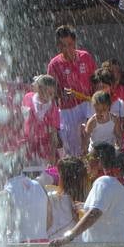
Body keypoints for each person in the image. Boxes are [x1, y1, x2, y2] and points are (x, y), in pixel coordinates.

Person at [49, 145, 124, 247]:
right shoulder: (122, 185)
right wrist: (84, 207)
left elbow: (94, 213)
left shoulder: (103, 182)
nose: (86, 163)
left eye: (89, 157)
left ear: (98, 161)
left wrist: (68, 237)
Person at [47, 25, 97, 156]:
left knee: (93, 136)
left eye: (70, 44)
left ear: (74, 42)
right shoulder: (54, 65)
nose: (67, 49)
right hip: (68, 108)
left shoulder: (85, 57)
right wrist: (60, 93)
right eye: (63, 46)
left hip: (87, 103)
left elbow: (96, 80)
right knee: (73, 148)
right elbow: (51, 91)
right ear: (58, 46)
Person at [3, 163, 49, 247]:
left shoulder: (7, 191)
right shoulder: (39, 185)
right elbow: (49, 220)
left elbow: (3, 225)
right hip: (43, 244)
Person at [43, 157, 87, 241]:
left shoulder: (51, 197)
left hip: (58, 246)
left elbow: (47, 224)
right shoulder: (88, 202)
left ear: (61, 177)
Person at [21, 75, 63, 165]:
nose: (49, 96)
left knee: (45, 174)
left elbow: (53, 135)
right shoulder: (27, 98)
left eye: (52, 94)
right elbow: (21, 121)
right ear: (39, 89)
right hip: (28, 145)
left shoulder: (53, 108)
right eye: (46, 92)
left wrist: (52, 158)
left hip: (45, 148)